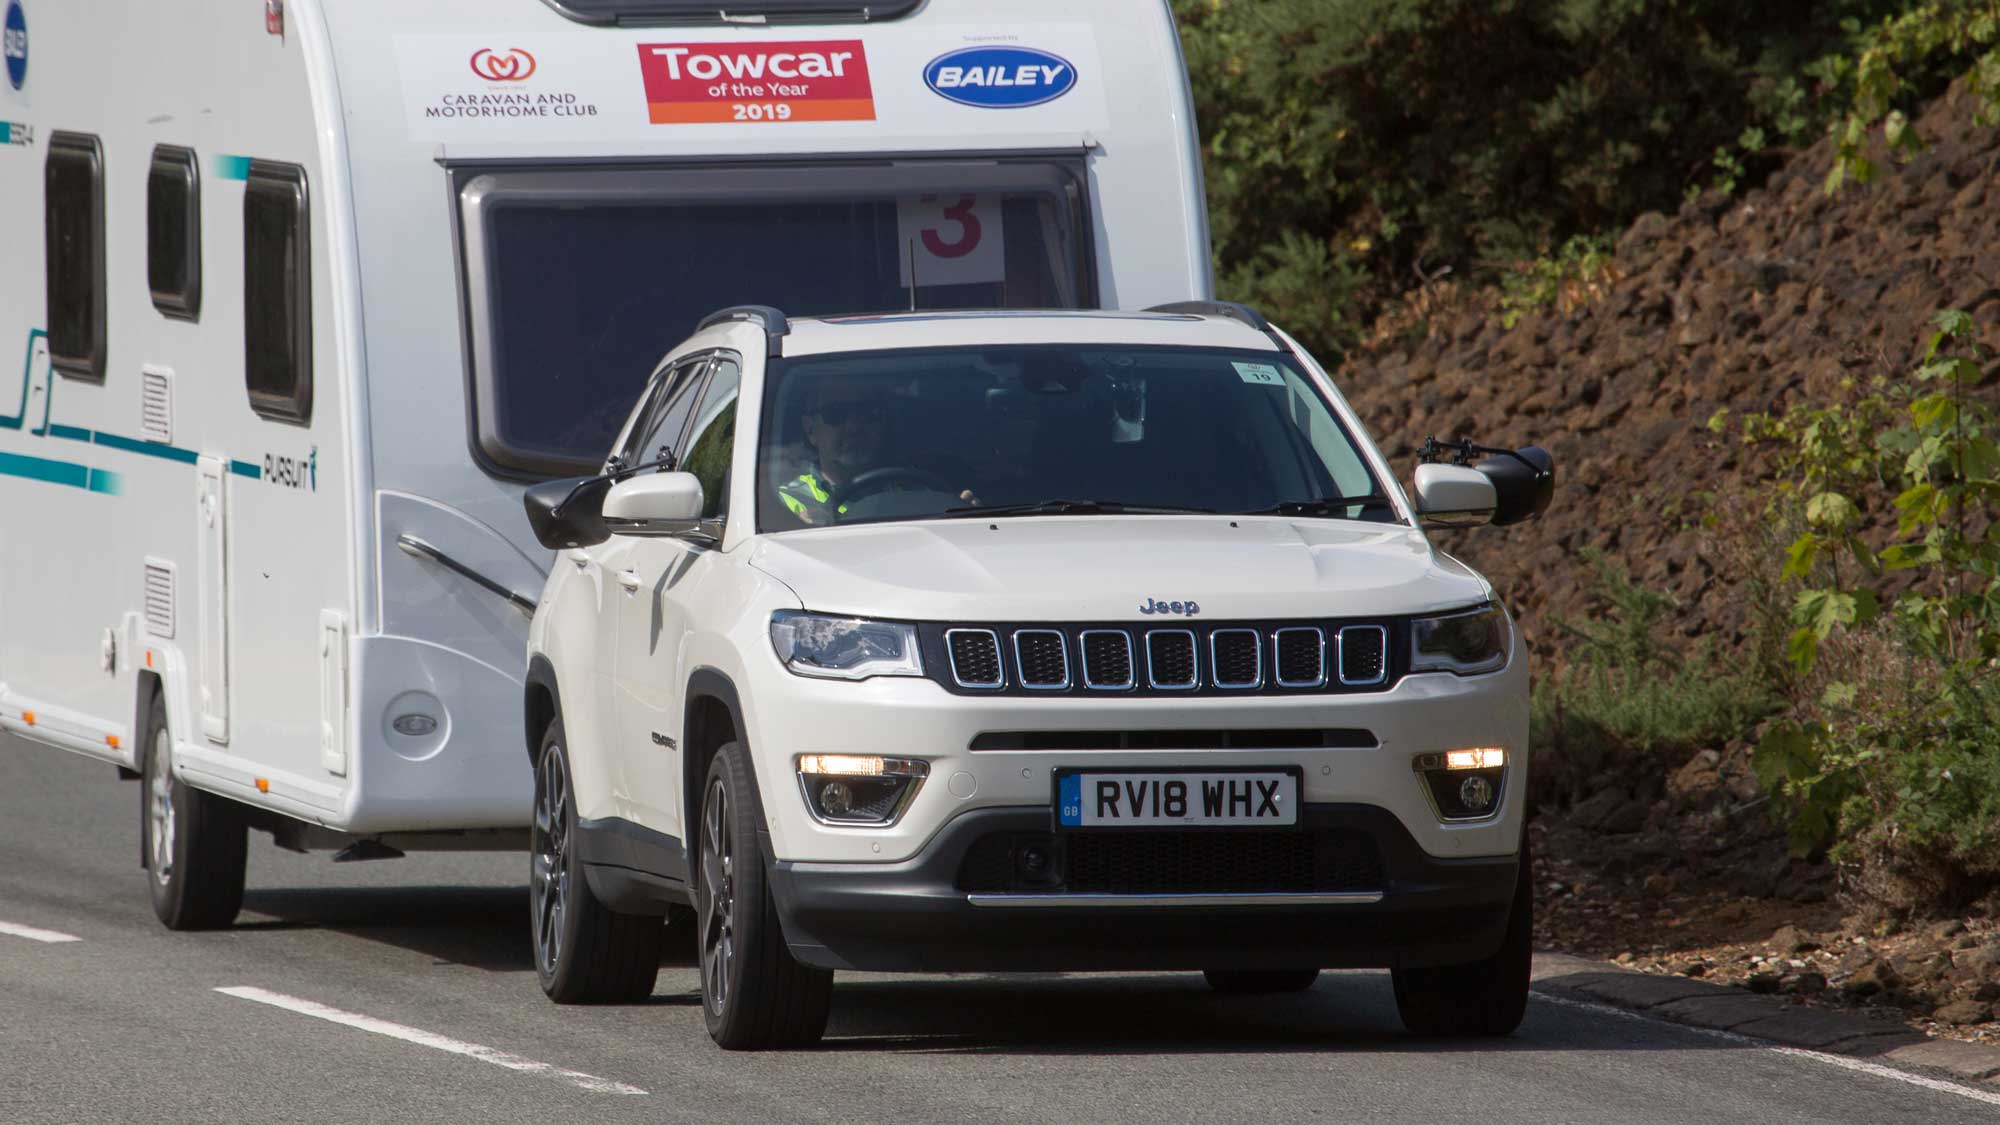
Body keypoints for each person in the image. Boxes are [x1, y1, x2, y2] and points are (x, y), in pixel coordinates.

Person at [777, 376, 974, 525]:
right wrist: (797, 529)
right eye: (836, 414)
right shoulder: (782, 504)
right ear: (811, 429)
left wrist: (971, 518)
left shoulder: (923, 493)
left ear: (883, 422)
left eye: (868, 412)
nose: (855, 426)